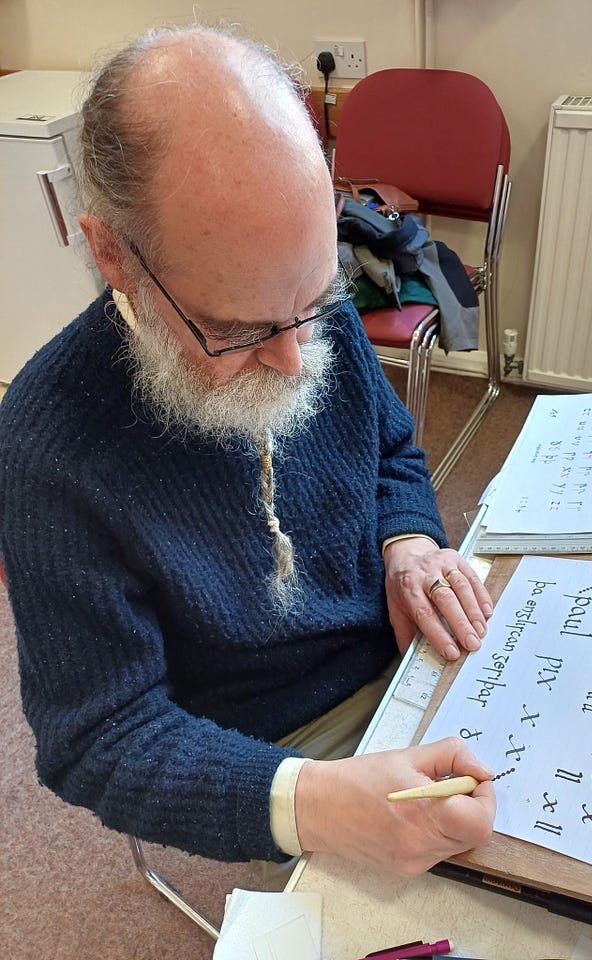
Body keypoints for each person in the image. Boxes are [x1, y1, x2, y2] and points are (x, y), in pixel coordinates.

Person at [0, 24, 497, 878]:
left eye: (314, 298)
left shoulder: (292, 295)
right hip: (276, 745)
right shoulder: (50, 446)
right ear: (113, 254)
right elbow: (97, 738)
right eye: (237, 332)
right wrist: (311, 803)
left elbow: (389, 451)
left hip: (410, 650)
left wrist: (407, 538)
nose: (297, 357)